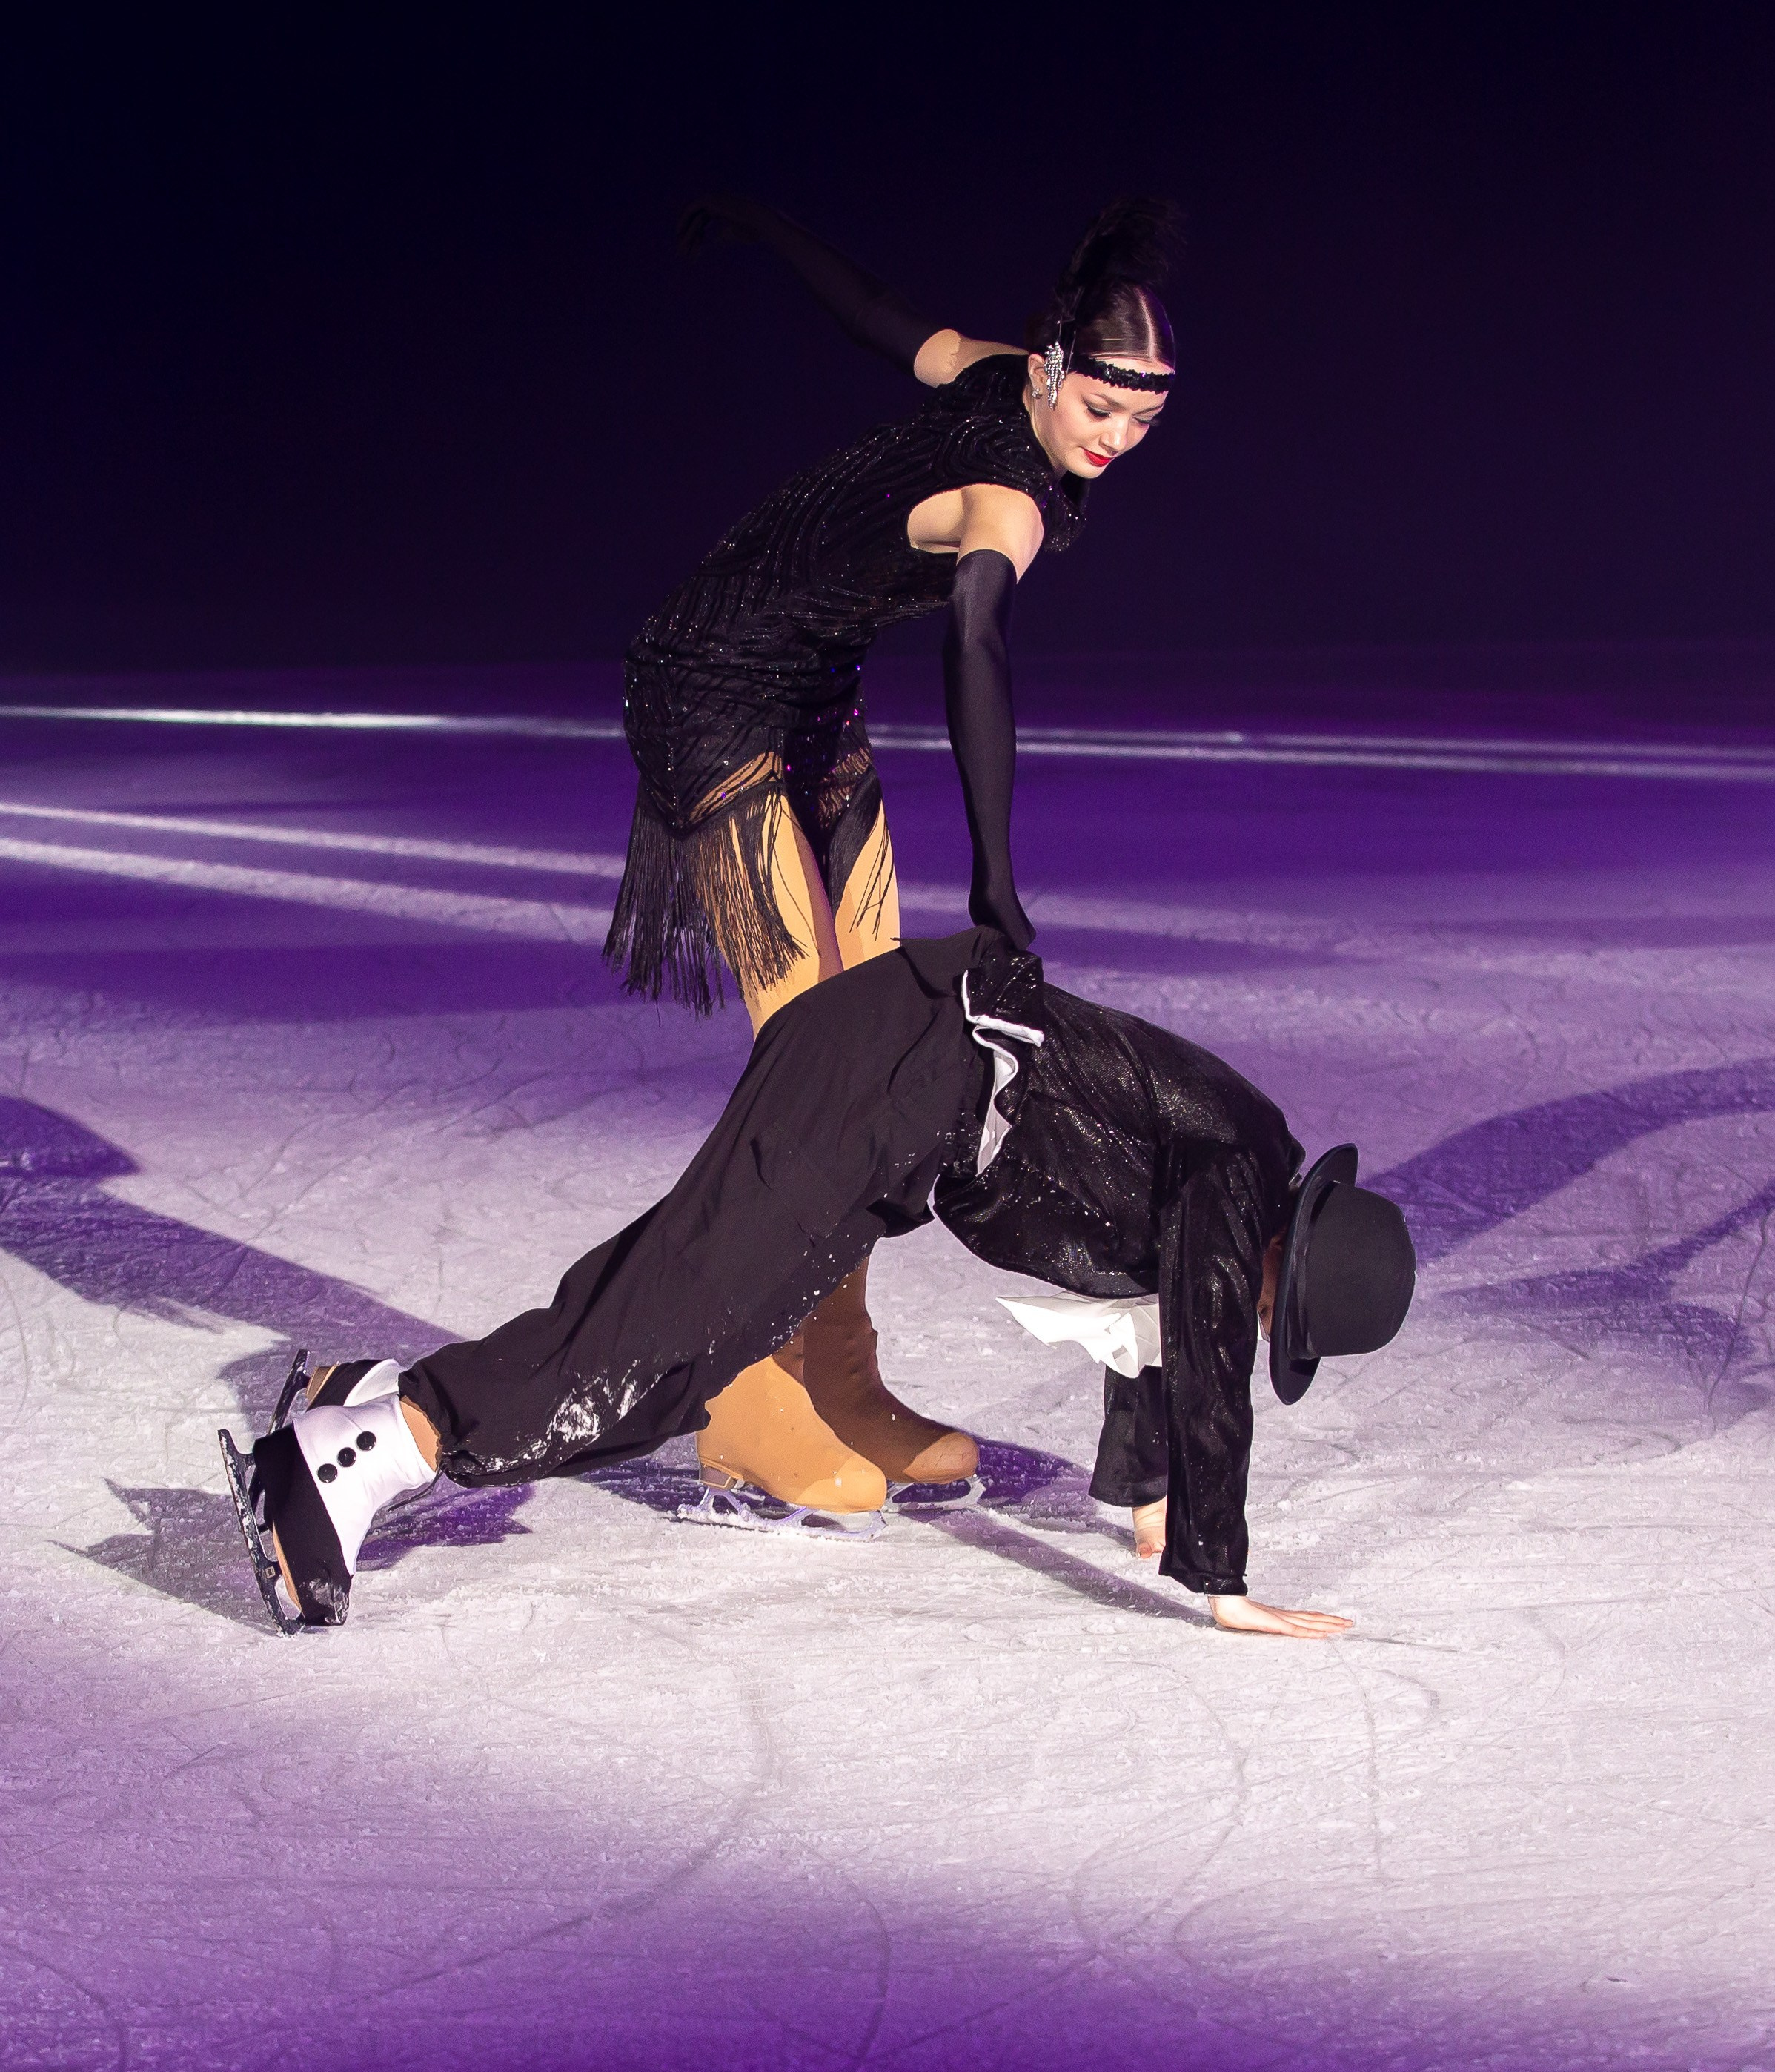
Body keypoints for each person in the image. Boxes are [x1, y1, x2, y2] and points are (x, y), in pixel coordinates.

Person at [222, 932, 1416, 1641]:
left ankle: (367, 1388)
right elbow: (1201, 1338)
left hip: (895, 1105)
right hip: (889, 1074)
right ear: (1282, 1257)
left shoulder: (1235, 1173)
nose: (1258, 1325)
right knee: (674, 1333)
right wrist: (1220, 1574)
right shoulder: (1234, 1177)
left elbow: (1156, 1336)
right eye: (1277, 1311)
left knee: (686, 1324)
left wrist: (1153, 1498)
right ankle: (352, 1452)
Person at [602, 193, 1182, 1517]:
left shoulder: (990, 372)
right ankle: (742, 1387)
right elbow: (974, 640)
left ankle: (839, 1367)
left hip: (808, 689)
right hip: (705, 681)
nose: (1118, 443)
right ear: (1047, 374)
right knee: (806, 1046)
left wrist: (759, 222)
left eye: (1145, 421)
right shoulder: (1012, 495)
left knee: (883, 1045)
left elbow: (873, 312)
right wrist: (996, 879)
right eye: (1102, 412)